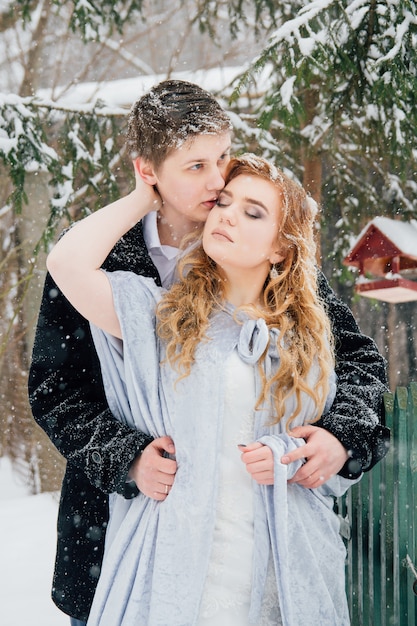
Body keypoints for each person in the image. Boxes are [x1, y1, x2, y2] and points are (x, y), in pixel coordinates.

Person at [28, 80, 389, 625]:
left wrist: (341, 438)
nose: (219, 179)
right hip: (121, 534)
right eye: (196, 166)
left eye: (222, 157)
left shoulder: (263, 250)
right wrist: (126, 455)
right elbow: (57, 389)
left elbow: (354, 361)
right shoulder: (112, 257)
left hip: (258, 548)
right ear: (149, 171)